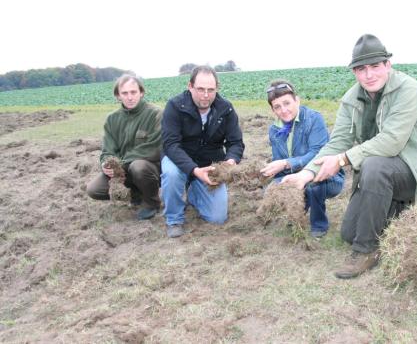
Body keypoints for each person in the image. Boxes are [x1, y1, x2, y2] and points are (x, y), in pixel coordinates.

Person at [283, 34, 417, 278]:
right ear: (354, 72)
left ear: (388, 65)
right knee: (349, 233)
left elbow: (391, 142)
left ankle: (367, 251)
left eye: (375, 66)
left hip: (412, 170)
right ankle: (395, 211)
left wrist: (343, 160)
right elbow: (338, 141)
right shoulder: (351, 99)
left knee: (375, 166)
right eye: (361, 69)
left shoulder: (409, 89)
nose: (369, 75)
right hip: (376, 175)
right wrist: (306, 173)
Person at [161, 65, 244, 238]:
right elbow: (171, 144)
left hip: (209, 164)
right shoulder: (174, 106)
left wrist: (230, 161)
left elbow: (235, 143)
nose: (205, 95)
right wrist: (194, 170)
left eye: (210, 90)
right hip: (179, 159)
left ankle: (193, 192)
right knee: (171, 174)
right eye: (200, 89)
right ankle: (174, 218)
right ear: (190, 86)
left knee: (218, 218)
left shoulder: (226, 109)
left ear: (217, 88)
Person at [260, 80, 345, 238]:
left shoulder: (314, 119)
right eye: (277, 107)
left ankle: (319, 223)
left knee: (314, 186)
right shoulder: (274, 130)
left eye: (287, 103)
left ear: (297, 100)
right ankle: (297, 211)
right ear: (272, 110)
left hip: (325, 175)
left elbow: (318, 153)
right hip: (295, 174)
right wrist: (276, 181)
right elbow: (278, 161)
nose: (283, 110)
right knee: (271, 191)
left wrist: (287, 163)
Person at [86, 74, 162, 220]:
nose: (130, 97)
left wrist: (122, 162)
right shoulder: (112, 119)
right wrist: (106, 164)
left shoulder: (155, 114)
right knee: (94, 190)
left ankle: (151, 202)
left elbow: (154, 147)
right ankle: (136, 194)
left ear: (141, 92)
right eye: (124, 93)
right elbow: (107, 150)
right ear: (118, 95)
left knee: (138, 167)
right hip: (122, 172)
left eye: (133, 92)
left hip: (150, 169)